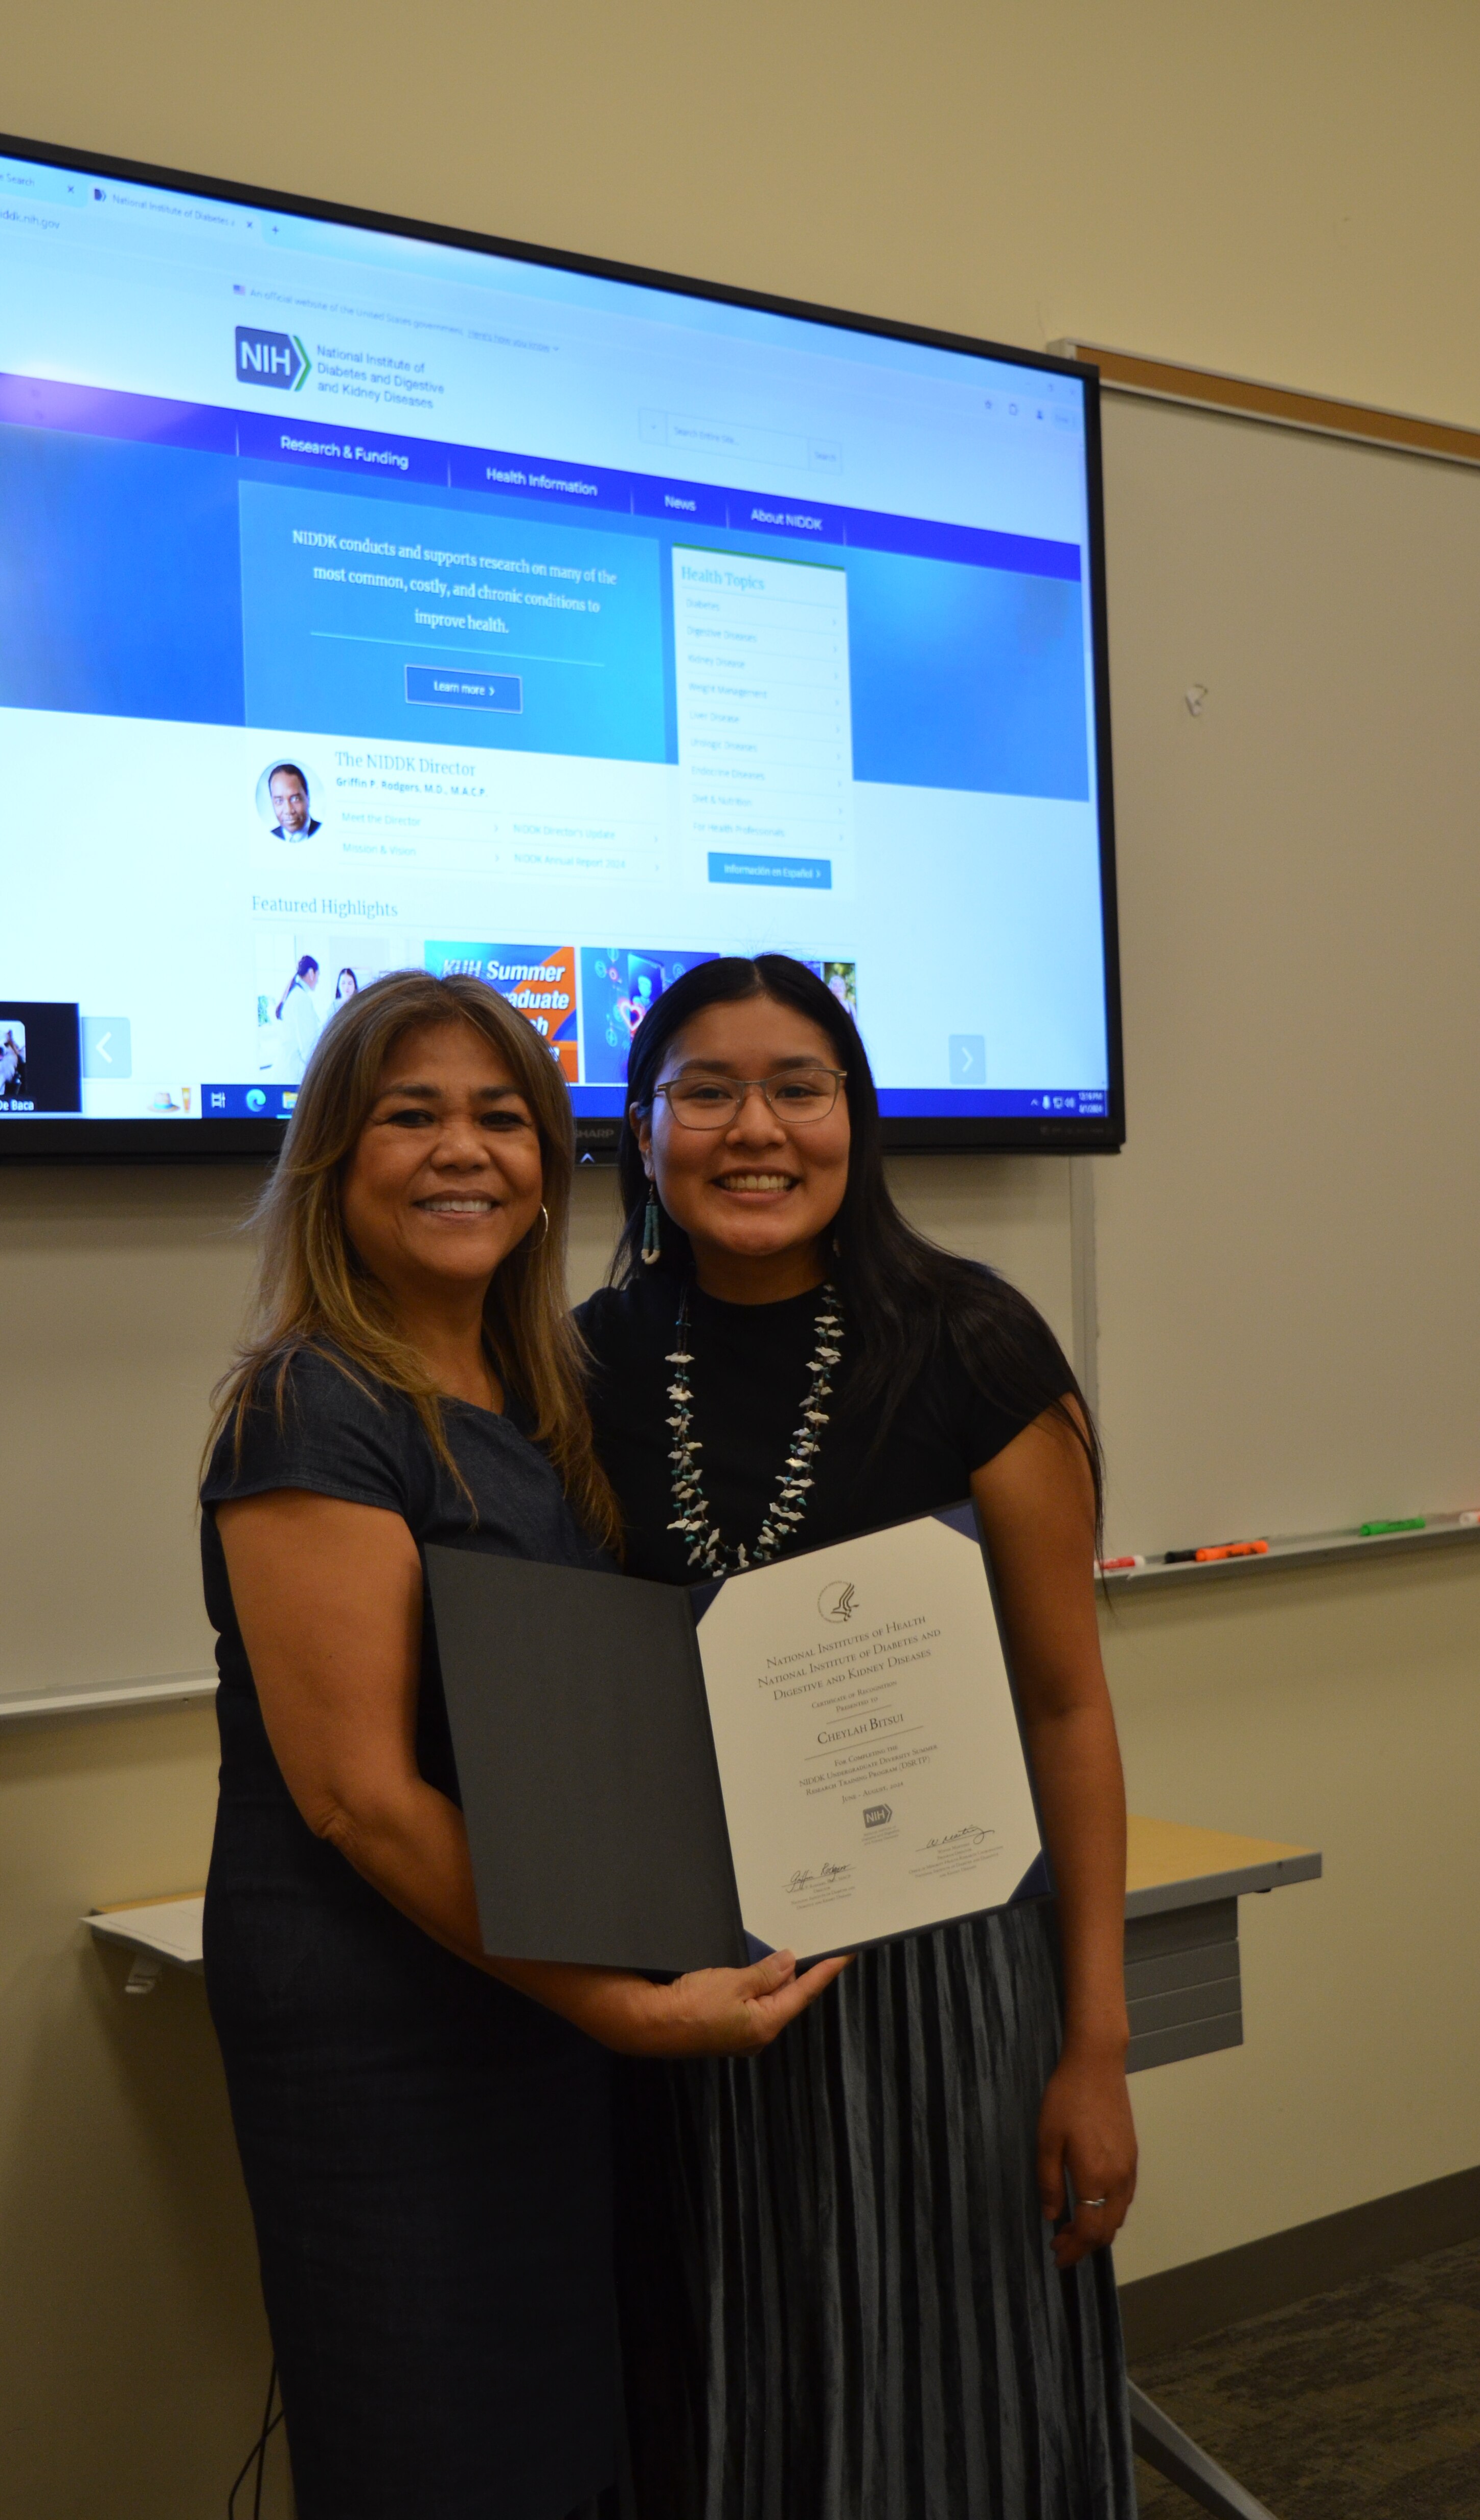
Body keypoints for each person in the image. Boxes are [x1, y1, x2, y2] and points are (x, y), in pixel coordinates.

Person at [199, 968, 843, 2520]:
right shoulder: (309, 1404)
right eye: (407, 1115)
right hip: (390, 2028)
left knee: (576, 2437)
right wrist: (617, 2004)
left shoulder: (538, 1387)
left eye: (499, 1116)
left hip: (536, 1990)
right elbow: (357, 1796)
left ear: (550, 1157)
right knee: (442, 2444)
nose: (461, 1150)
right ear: (333, 1160)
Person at [577, 954, 1137, 2519]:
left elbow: (1065, 1705)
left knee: (960, 2406)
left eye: (796, 1087)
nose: (752, 1128)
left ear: (854, 1118)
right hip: (689, 1994)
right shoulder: (583, 1360)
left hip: (942, 1997)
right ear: (643, 1129)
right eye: (704, 1089)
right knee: (727, 2402)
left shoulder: (973, 1342)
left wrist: (1091, 2044)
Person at [275, 954, 322, 1080]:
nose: (318, 980)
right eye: (318, 975)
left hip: (289, 1068)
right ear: (312, 973)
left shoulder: (295, 995)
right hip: (295, 1071)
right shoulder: (301, 999)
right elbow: (307, 1043)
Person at [269, 762, 321, 839]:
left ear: (308, 798)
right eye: (279, 801)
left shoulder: (326, 831)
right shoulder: (268, 837)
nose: (288, 811)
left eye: (295, 799)